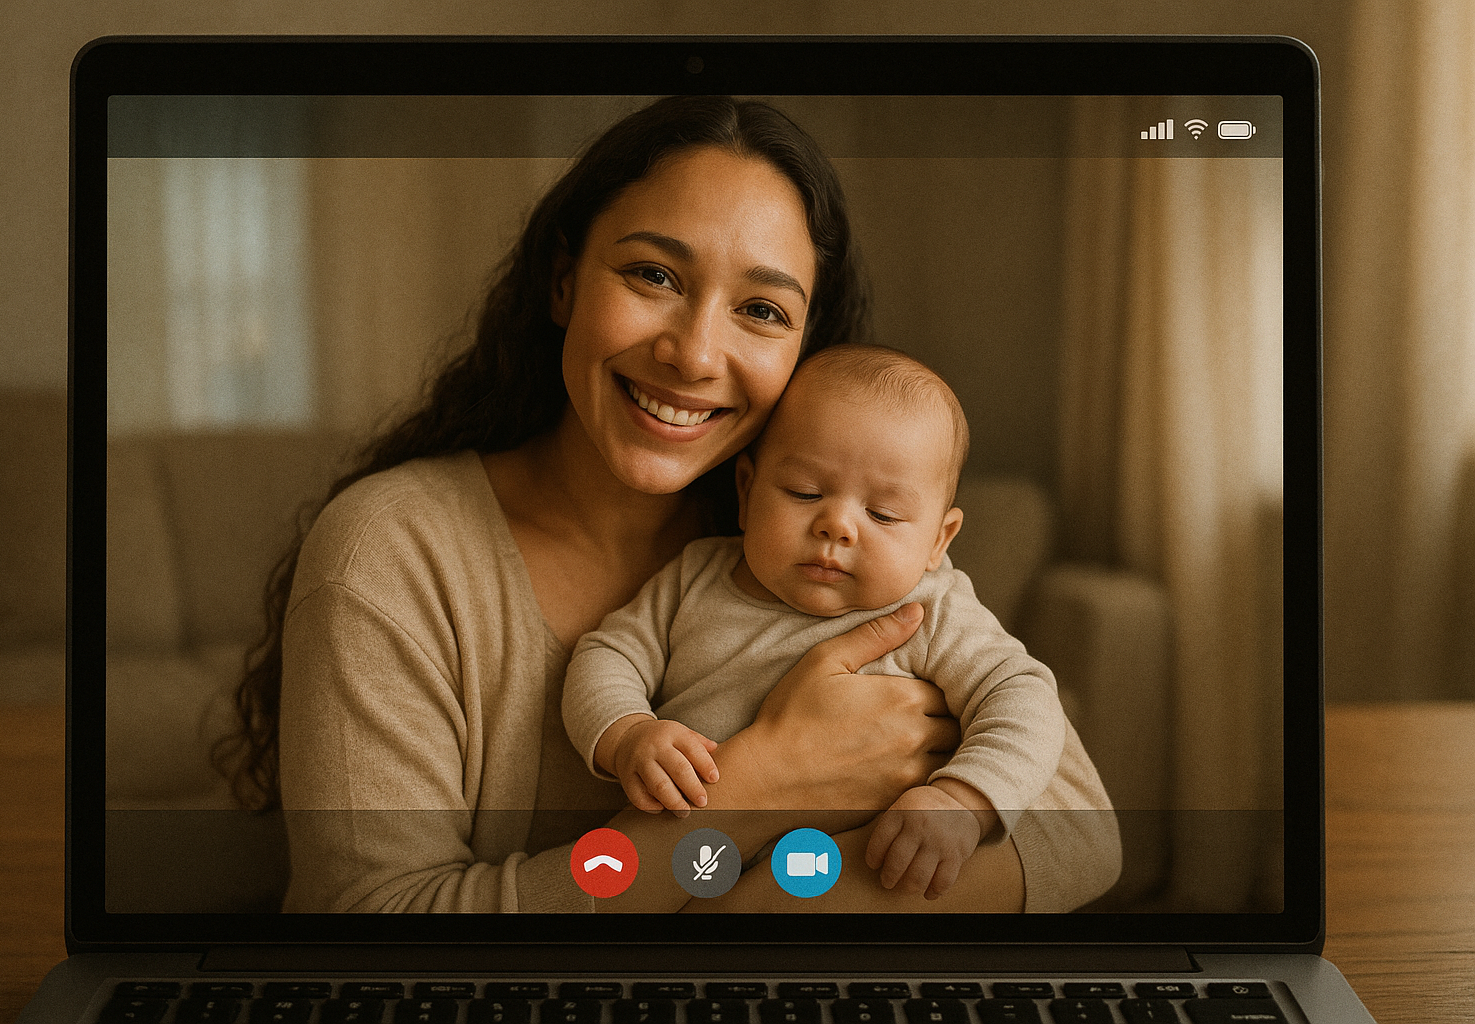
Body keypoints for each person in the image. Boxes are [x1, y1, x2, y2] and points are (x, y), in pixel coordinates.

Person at [221, 94, 1120, 915]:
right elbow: (371, 931)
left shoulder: (828, 540)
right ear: (564, 280)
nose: (694, 355)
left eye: (763, 310)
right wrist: (754, 794)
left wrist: (796, 908)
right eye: (653, 275)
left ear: (807, 346)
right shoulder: (393, 551)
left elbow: (1082, 830)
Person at [565, 345, 1078, 902]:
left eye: (882, 515)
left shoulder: (932, 611)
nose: (837, 526)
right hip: (678, 877)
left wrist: (962, 801)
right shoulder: (697, 576)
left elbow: (1023, 697)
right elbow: (605, 656)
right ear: (746, 490)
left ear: (938, 540)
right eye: (805, 493)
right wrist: (627, 733)